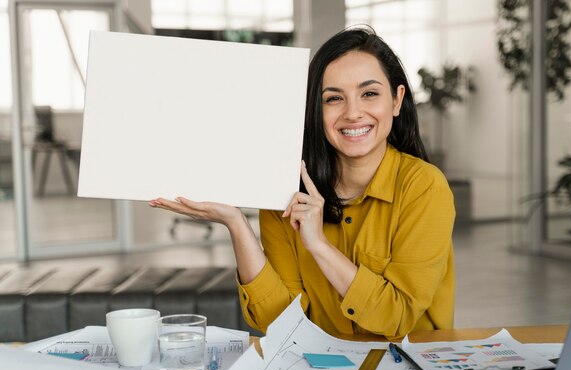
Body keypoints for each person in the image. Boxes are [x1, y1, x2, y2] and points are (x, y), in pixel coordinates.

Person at [150, 26, 455, 339]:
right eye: (333, 98)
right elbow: (280, 322)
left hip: (406, 367)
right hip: (320, 368)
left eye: (369, 93)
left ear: (396, 100)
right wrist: (237, 223)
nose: (353, 113)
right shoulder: (287, 193)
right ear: (314, 109)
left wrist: (318, 245)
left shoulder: (424, 187)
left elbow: (397, 317)